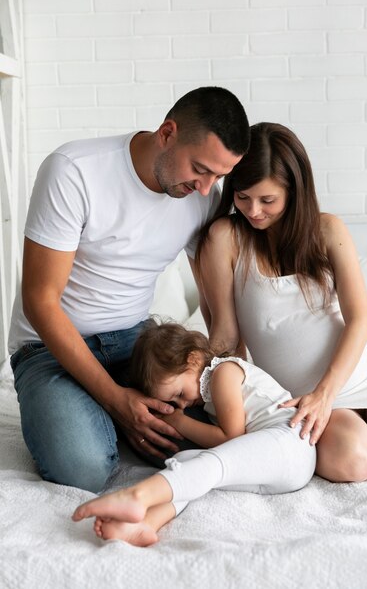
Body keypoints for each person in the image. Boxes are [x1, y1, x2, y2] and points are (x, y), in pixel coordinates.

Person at [8, 86, 250, 493]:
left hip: (138, 346)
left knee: (222, 438)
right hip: (49, 350)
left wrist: (226, 368)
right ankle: (98, 416)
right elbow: (40, 300)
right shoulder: (74, 170)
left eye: (219, 177)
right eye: (200, 169)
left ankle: (109, 418)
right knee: (81, 469)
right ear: (168, 133)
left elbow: (211, 293)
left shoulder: (201, 196)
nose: (207, 188)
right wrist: (116, 401)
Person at [196, 121, 367, 484]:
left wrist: (325, 394)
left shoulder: (328, 230)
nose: (253, 211)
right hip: (298, 396)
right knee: (354, 461)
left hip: (363, 372)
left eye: (268, 200)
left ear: (294, 191)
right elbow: (226, 334)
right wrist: (212, 389)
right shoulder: (225, 238)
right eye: (243, 196)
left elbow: (360, 321)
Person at [72, 319, 316, 546]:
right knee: (185, 463)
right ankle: (147, 523)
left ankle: (138, 496)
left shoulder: (224, 373)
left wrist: (179, 422)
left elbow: (232, 437)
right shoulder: (207, 394)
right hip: (268, 475)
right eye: (175, 403)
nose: (183, 406)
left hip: (291, 443)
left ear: (193, 360)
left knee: (212, 463)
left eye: (179, 394)